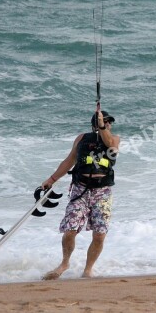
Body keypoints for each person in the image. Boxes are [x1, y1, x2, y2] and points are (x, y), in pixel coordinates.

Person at [41, 108, 120, 279]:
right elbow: (69, 161)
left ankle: (88, 270)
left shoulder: (114, 139)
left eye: (109, 123)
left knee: (99, 235)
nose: (109, 125)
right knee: (70, 230)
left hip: (102, 192)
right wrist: (51, 179)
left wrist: (102, 127)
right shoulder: (81, 139)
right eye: (105, 122)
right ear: (95, 124)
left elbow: (109, 145)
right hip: (80, 190)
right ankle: (64, 263)